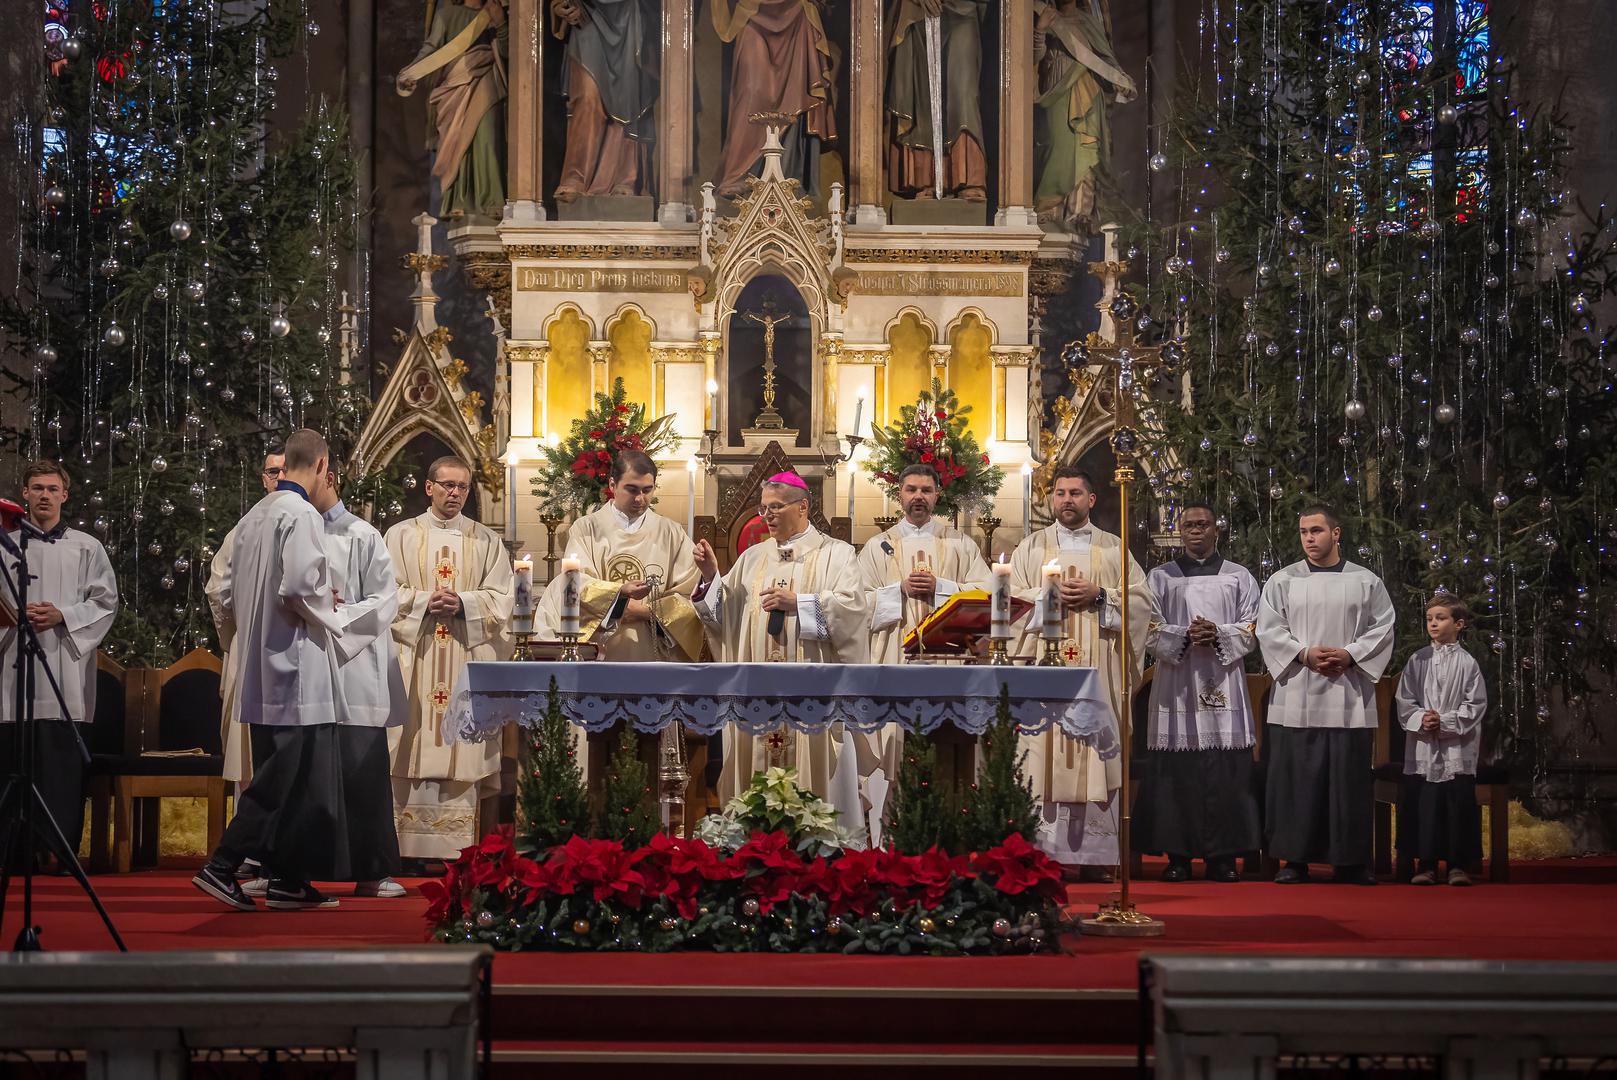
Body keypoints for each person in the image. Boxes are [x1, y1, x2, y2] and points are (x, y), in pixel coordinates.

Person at [191, 429, 351, 911]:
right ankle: (222, 865)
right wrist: (333, 606)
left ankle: (286, 879)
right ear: (321, 466)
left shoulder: (254, 516)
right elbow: (300, 588)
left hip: (260, 661)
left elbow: (226, 592)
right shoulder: (301, 515)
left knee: (290, 776)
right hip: (294, 666)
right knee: (280, 778)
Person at [692, 472, 867, 820]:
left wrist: (800, 603)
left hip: (811, 698)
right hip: (757, 697)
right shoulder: (752, 558)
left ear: (803, 507)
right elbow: (722, 618)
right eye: (763, 508)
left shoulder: (837, 554)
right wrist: (712, 577)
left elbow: (852, 612)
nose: (766, 516)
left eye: (776, 507)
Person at [1007, 465, 1147, 880]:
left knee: (1096, 749)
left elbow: (1142, 606)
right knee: (1041, 753)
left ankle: (1097, 858)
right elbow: (1009, 603)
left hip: (1097, 667)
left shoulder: (1113, 549)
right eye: (1060, 493)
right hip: (1045, 669)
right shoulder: (1030, 549)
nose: (1066, 500)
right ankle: (1044, 854)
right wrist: (1049, 595)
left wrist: (1100, 595)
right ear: (1051, 499)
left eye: (1075, 493)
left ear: (1092, 500)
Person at [1257, 504, 1396, 885]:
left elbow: (1383, 628)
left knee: (1346, 782)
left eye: (1316, 531)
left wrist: (1350, 654)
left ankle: (1350, 861)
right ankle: (1294, 861)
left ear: (1336, 534)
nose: (1309, 539)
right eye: (1303, 532)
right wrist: (1304, 654)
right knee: (1296, 781)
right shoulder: (1282, 580)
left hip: (1348, 696)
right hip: (1297, 693)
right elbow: (1268, 630)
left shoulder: (1365, 580)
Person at [384, 455, 513, 865]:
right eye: (446, 485)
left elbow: (503, 599)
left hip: (462, 661)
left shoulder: (486, 541)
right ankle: (401, 850)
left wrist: (463, 603)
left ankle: (454, 850)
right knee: (410, 738)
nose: (454, 493)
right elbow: (381, 594)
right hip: (415, 660)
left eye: (462, 487)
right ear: (429, 487)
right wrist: (424, 601)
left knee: (460, 743)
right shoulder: (399, 536)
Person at [854, 463, 990, 841]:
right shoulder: (876, 547)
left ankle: (949, 834)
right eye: (911, 489)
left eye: (926, 490)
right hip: (894, 659)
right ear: (898, 494)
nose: (918, 497)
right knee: (895, 748)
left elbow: (988, 594)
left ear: (937, 496)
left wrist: (941, 587)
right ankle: (890, 840)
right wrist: (897, 590)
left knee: (945, 746)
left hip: (948, 662)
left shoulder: (959, 543)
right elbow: (855, 604)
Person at [1132, 502, 1262, 883]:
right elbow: (1146, 626)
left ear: (1215, 530)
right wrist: (1186, 634)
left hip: (1223, 681)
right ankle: (1179, 857)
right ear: (1179, 529)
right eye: (1188, 524)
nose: (1196, 530)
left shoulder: (1239, 577)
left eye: (1203, 524)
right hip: (1177, 684)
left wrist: (1219, 633)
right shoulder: (1159, 578)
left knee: (1225, 772)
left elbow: (1254, 626)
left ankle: (1224, 858)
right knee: (1178, 773)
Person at [0, 460, 118, 864]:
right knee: (12, 760)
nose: (44, 495)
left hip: (63, 672)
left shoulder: (87, 547)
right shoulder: (6, 546)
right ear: (25, 496)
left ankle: (58, 852)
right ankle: (14, 854)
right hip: (11, 669)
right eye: (37, 488)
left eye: (52, 488)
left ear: (65, 495)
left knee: (59, 768)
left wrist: (63, 616)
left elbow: (105, 603)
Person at [309, 463, 408, 899]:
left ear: (327, 476)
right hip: (309, 667)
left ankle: (372, 871)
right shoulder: (293, 530)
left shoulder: (363, 534)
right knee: (311, 773)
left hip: (355, 666)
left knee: (362, 771)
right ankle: (296, 870)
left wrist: (332, 616)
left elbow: (385, 600)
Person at [206, 448, 286, 796]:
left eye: (285, 470)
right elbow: (218, 586)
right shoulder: (245, 527)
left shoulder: (315, 521)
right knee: (252, 759)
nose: (279, 478)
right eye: (272, 472)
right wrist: (247, 625)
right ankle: (252, 847)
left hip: (297, 652)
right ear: (262, 479)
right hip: (253, 645)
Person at [1395, 592, 1487, 887]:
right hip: (1423, 745)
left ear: (1459, 624)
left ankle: (1458, 864)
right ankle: (1426, 864)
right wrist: (1423, 719)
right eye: (1430, 618)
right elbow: (1405, 699)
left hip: (1456, 746)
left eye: (1441, 618)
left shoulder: (1468, 663)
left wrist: (1445, 721)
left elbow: (1475, 705)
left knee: (1457, 803)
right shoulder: (1417, 659)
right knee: (1425, 804)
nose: (1433, 624)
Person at [710, 0, 838, 198]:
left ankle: (789, 180)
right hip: (751, 13)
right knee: (751, 92)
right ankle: (738, 175)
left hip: (797, 15)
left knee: (797, 96)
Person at [398, 0, 508, 219]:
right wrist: (411, 72)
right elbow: (431, 48)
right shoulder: (447, 15)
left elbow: (509, 52)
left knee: (487, 138)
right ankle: (460, 199)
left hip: (486, 77)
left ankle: (491, 199)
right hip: (454, 84)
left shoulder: (494, 11)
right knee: (457, 139)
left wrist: (501, 24)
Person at [1032, 0, 1135, 228]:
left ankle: (1079, 211)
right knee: (1057, 145)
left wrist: (1120, 79)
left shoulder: (1089, 21)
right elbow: (1030, 59)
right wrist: (1039, 30)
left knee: (1088, 148)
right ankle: (1049, 206)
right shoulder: (1043, 13)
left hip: (1088, 89)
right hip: (1055, 88)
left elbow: (1104, 57)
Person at [551, 0, 659, 201]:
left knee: (627, 98)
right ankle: (577, 175)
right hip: (587, 16)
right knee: (586, 98)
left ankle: (625, 177)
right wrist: (559, 5)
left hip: (628, 18)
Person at [886, 0, 990, 201]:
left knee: (963, 93)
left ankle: (968, 177)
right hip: (917, 11)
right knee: (921, 92)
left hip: (964, 9)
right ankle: (925, 179)